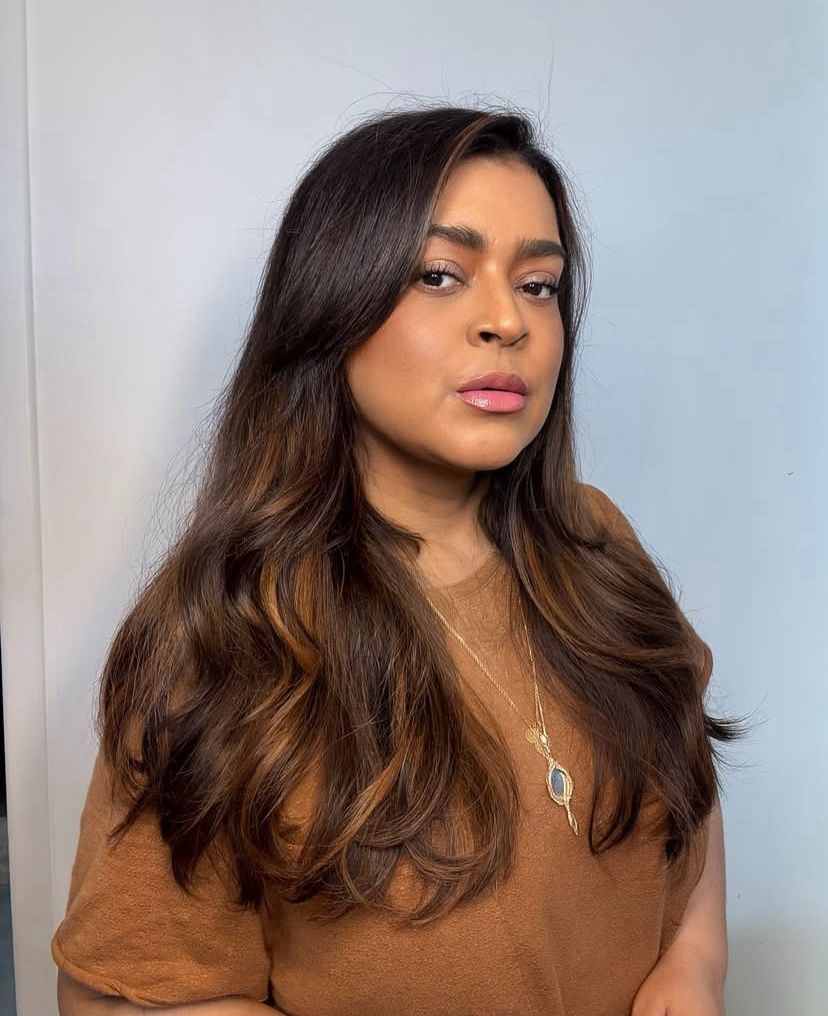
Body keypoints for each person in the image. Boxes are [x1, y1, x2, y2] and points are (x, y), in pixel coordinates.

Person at [52, 104, 746, 1016]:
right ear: (331, 302)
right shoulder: (220, 633)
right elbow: (124, 996)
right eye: (440, 274)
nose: (507, 320)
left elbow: (686, 794)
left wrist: (693, 963)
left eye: (539, 285)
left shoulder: (595, 541)